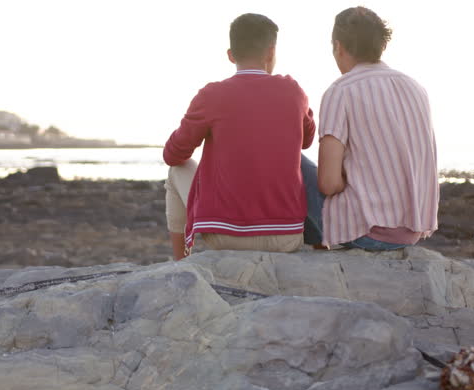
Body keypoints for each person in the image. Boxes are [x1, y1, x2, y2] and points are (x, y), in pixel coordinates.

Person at [163, 13, 316, 260]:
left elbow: (173, 155)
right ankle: (323, 243)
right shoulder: (293, 91)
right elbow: (307, 141)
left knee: (176, 171)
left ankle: (181, 262)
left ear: (231, 55)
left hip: (226, 237)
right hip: (286, 236)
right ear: (271, 52)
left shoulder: (212, 95)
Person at [303, 6, 438, 251]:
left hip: (366, 233)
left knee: (295, 161)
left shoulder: (340, 91)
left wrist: (346, 177)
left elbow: (328, 184)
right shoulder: (416, 88)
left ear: (339, 46)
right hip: (410, 232)